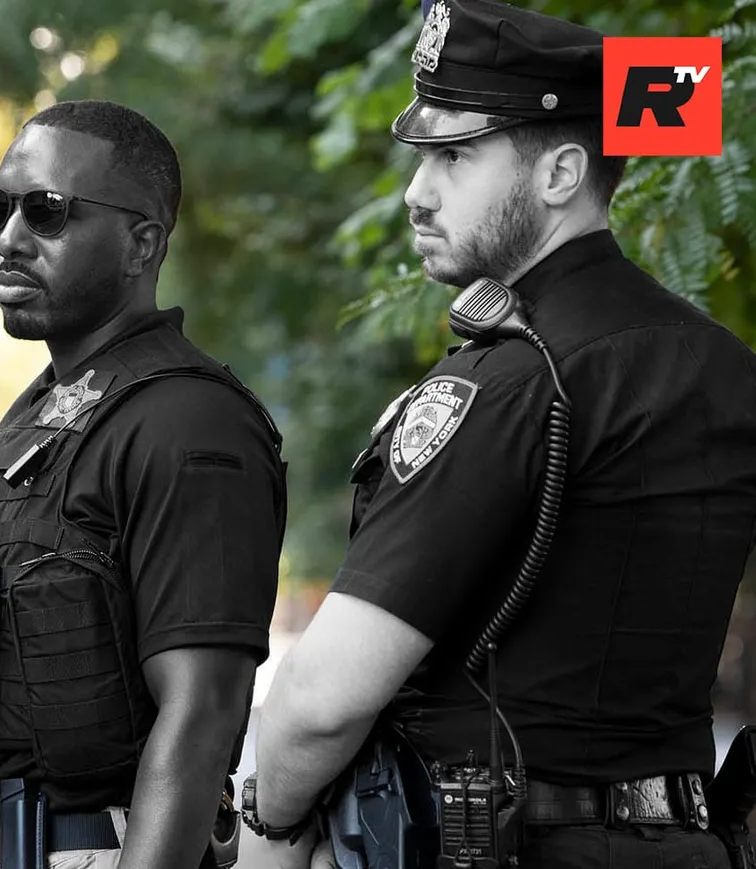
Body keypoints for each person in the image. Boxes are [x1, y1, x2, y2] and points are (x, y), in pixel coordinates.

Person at [248, 1, 756, 867]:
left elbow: (321, 699)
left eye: (454, 156)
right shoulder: (725, 366)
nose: (416, 191)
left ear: (561, 172)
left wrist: (269, 825)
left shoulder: (510, 382)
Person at [0, 99, 288, 869]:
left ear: (141, 244)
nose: (8, 238)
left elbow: (203, 709)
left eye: (47, 212)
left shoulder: (189, 422)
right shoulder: (44, 410)